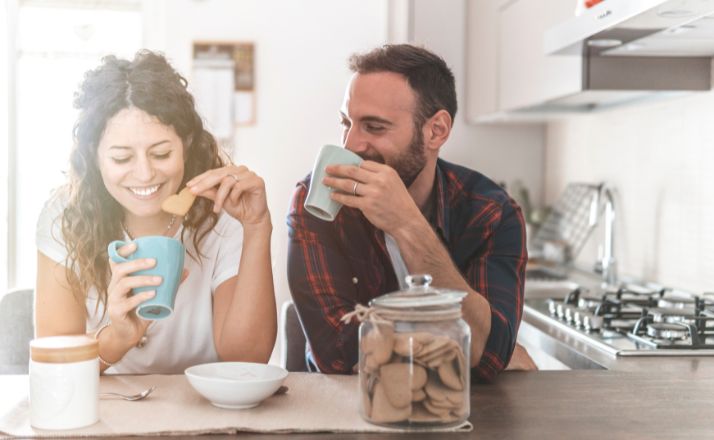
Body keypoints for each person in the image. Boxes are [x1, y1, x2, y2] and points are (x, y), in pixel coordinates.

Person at [287, 44, 535, 381]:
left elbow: (484, 354)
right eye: (346, 122)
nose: (350, 145)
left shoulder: (490, 213)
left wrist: (408, 225)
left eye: (374, 127)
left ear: (436, 131)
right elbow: (338, 355)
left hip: (459, 414)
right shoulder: (317, 200)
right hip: (344, 407)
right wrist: (461, 350)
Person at [35, 50, 276, 374]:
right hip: (107, 412)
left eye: (161, 154)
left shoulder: (224, 211)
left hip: (204, 411)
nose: (145, 174)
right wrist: (118, 337)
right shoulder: (64, 216)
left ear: (187, 144)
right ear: (94, 156)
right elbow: (55, 366)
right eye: (122, 159)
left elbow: (248, 359)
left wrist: (257, 227)